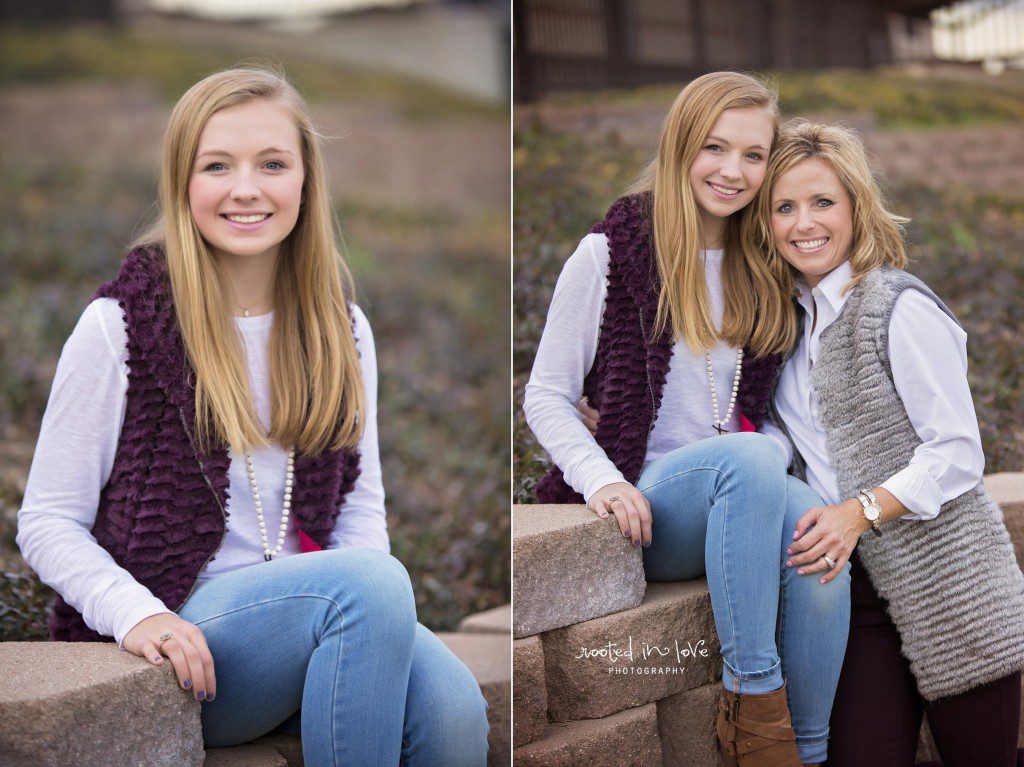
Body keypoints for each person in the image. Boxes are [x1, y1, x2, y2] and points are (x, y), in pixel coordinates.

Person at [16, 67, 489, 767]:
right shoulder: (119, 328)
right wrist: (138, 613)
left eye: (272, 163)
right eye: (217, 165)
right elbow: (46, 521)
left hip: (324, 615)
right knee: (370, 581)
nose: (246, 188)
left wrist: (373, 629)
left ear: (305, 179)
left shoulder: (342, 329)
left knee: (455, 710)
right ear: (184, 182)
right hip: (182, 643)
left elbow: (361, 513)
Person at [524, 71, 850, 767]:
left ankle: (809, 753)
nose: (733, 171)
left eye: (754, 155)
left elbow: (781, 412)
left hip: (745, 492)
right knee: (756, 455)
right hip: (651, 506)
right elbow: (545, 393)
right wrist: (601, 479)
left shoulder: (764, 260)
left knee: (821, 547)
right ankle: (754, 704)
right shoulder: (613, 251)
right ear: (680, 146)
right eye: (715, 147)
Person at [757, 121, 1024, 766]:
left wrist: (861, 511)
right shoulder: (781, 326)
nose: (804, 224)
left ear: (855, 205)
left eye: (822, 202)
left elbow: (958, 451)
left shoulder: (895, 307)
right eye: (784, 207)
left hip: (952, 587)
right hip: (853, 598)